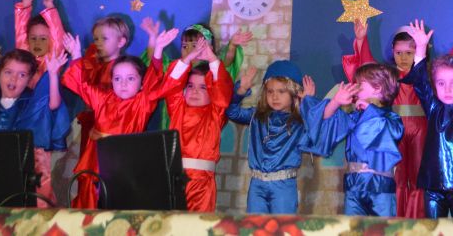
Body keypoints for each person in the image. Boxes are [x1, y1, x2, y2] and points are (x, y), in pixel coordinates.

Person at [64, 29, 185, 208]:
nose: (123, 84)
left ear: (141, 82)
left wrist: (158, 49)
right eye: (117, 78)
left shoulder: (143, 102)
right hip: (96, 161)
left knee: (121, 206)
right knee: (90, 204)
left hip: (126, 163)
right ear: (111, 80)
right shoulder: (101, 98)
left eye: (130, 78)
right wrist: (75, 54)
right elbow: (82, 85)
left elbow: (154, 81)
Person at [401, 20, 453, 218]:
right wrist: (420, 48)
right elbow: (420, 82)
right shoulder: (433, 107)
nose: (447, 89)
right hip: (433, 182)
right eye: (441, 83)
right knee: (433, 228)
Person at [341, 19, 426, 217]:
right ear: (392, 52)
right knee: (396, 174)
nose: (403, 58)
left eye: (409, 53)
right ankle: (396, 217)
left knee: (418, 175)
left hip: (419, 127)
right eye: (398, 53)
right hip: (392, 127)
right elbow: (367, 67)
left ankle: (415, 221)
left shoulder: (423, 73)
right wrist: (361, 40)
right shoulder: (388, 76)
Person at [0, 49, 70, 204]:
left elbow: (53, 104)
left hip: (22, 171)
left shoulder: (33, 102)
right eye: (8, 72)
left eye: (22, 75)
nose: (14, 79)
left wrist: (52, 75)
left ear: (30, 79)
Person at [309, 62, 403, 217]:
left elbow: (392, 133)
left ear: (377, 87)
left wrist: (370, 110)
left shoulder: (391, 118)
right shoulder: (354, 117)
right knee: (353, 227)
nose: (355, 88)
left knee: (382, 228)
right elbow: (326, 120)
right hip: (354, 186)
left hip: (380, 187)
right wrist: (336, 102)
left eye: (360, 84)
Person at [225, 60, 317, 214]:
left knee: (282, 226)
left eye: (281, 91)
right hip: (257, 185)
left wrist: (309, 103)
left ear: (294, 92)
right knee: (256, 225)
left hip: (283, 186)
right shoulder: (257, 116)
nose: (275, 97)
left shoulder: (299, 120)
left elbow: (317, 127)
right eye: (270, 91)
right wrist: (240, 90)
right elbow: (232, 112)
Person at [14, 0, 68, 205]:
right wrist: (24, 8)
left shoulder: (52, 61)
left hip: (46, 129)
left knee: (43, 179)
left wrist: (50, 8)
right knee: (21, 178)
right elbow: (20, 38)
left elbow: (58, 37)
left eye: (43, 38)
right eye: (33, 38)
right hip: (24, 128)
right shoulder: (25, 61)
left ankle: (43, 214)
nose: (37, 43)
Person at [166, 44, 233, 211]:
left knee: (197, 224)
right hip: (173, 181)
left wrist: (212, 59)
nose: (195, 91)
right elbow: (171, 86)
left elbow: (223, 94)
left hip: (202, 185)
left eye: (203, 87)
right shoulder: (177, 108)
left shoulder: (215, 113)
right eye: (190, 86)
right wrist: (187, 59)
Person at [62, 15, 130, 170]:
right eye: (96, 39)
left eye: (104, 38)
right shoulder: (95, 66)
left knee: (105, 169)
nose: (98, 43)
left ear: (121, 42)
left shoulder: (123, 70)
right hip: (91, 125)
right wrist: (76, 56)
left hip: (111, 130)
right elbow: (78, 84)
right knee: (89, 170)